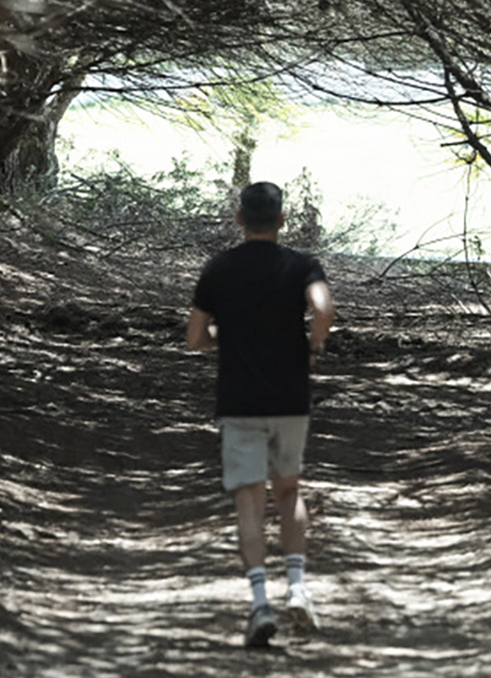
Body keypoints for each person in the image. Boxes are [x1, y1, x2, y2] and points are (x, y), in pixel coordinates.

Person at [186, 181, 335, 648]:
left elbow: (193, 338)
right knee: (288, 490)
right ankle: (297, 588)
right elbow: (324, 308)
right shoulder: (301, 265)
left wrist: (220, 338)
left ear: (239, 220)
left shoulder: (220, 268)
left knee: (249, 498)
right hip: (290, 396)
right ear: (283, 220)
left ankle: (258, 604)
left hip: (239, 399)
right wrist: (313, 344)